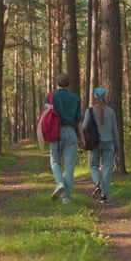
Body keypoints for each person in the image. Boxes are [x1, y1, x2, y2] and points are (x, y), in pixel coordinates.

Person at [48, 73, 85, 204]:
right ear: (68, 84)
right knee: (69, 166)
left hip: (56, 132)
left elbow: (46, 114)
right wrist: (82, 137)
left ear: (57, 82)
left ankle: (59, 183)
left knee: (55, 161)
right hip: (71, 133)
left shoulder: (52, 96)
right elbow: (79, 120)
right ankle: (66, 198)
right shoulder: (75, 98)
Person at [83, 87, 120, 204]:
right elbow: (115, 130)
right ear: (105, 97)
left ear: (94, 97)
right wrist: (117, 146)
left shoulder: (89, 111)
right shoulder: (111, 111)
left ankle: (96, 183)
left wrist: (83, 140)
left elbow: (84, 127)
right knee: (107, 169)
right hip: (109, 143)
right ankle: (104, 195)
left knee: (93, 165)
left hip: (95, 142)